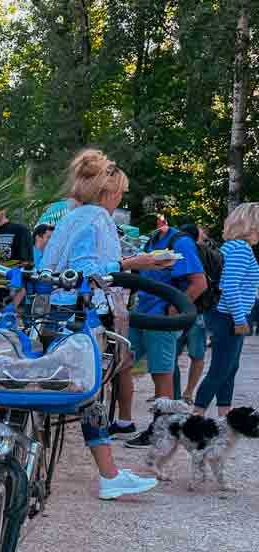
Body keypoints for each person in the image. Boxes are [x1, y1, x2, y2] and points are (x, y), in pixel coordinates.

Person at [39, 148, 173, 499]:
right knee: (89, 392)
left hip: (55, 311)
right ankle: (110, 476)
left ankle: (107, 471)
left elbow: (53, 265)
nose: (120, 200)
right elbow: (90, 272)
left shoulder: (71, 215)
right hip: (84, 316)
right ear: (108, 193)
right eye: (121, 194)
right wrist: (137, 264)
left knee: (65, 390)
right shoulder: (99, 218)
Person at [123, 217, 207, 447]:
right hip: (142, 313)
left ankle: (161, 431)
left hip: (161, 318)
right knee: (122, 363)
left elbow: (199, 283)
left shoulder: (181, 242)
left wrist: (175, 307)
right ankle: (123, 422)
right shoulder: (152, 240)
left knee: (161, 372)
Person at [194, 202, 259, 416]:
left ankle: (224, 416)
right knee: (221, 369)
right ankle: (196, 415)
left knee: (230, 368)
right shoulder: (241, 249)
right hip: (229, 315)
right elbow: (229, 286)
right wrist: (241, 320)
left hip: (224, 313)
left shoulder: (230, 247)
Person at [171, 223, 218, 402]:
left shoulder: (186, 249)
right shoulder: (209, 252)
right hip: (199, 311)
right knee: (197, 355)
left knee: (172, 355)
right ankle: (188, 393)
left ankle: (174, 396)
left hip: (182, 310)